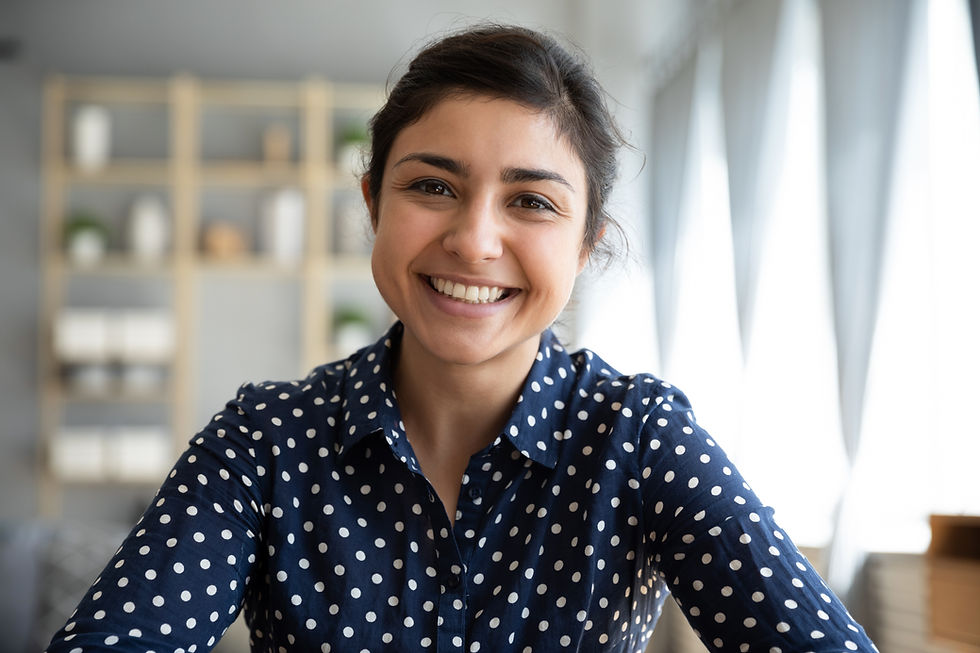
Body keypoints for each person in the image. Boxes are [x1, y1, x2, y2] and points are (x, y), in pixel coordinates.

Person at [45, 24, 877, 653]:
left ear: (586, 244)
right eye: (433, 186)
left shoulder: (639, 438)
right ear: (373, 203)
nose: (476, 241)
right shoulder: (266, 442)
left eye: (532, 201)